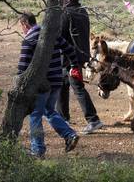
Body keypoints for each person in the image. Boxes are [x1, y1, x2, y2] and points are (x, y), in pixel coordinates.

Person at [18, 12, 80, 158]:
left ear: (25, 24)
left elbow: (22, 67)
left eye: (22, 27)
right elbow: (70, 50)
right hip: (57, 80)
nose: (23, 30)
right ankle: (69, 135)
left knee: (35, 115)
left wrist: (19, 84)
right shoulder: (51, 35)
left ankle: (37, 150)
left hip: (41, 84)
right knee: (49, 110)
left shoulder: (29, 39)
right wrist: (74, 66)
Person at [56, 0, 103, 134]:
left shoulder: (66, 14)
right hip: (79, 55)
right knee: (62, 84)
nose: (61, 1)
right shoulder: (82, 11)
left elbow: (60, 35)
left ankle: (93, 119)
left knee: (77, 87)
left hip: (70, 57)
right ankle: (63, 117)